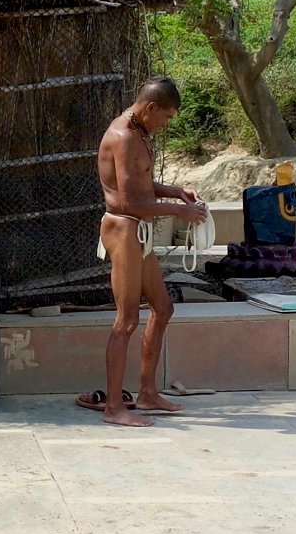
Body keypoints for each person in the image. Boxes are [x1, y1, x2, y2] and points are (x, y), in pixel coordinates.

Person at [77, 76, 207, 426]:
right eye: (166, 117)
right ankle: (113, 407)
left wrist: (178, 192)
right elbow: (129, 201)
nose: (165, 125)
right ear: (151, 108)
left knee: (163, 308)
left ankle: (147, 394)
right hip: (123, 229)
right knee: (127, 320)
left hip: (140, 230)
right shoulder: (122, 137)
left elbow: (142, 185)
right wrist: (181, 212)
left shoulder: (138, 132)